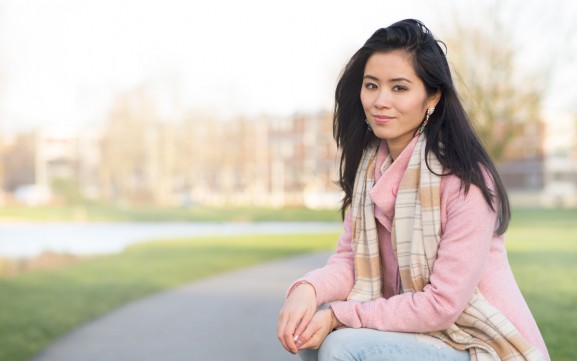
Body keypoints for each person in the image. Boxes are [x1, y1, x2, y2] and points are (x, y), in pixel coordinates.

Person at [277, 19, 550, 361]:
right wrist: (308, 288)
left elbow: (442, 304)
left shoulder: (464, 181)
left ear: (432, 97)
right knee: (312, 341)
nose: (380, 101)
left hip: (483, 342)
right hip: (424, 335)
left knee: (340, 344)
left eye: (399, 88)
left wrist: (339, 315)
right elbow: (349, 261)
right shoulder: (368, 172)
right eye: (371, 85)